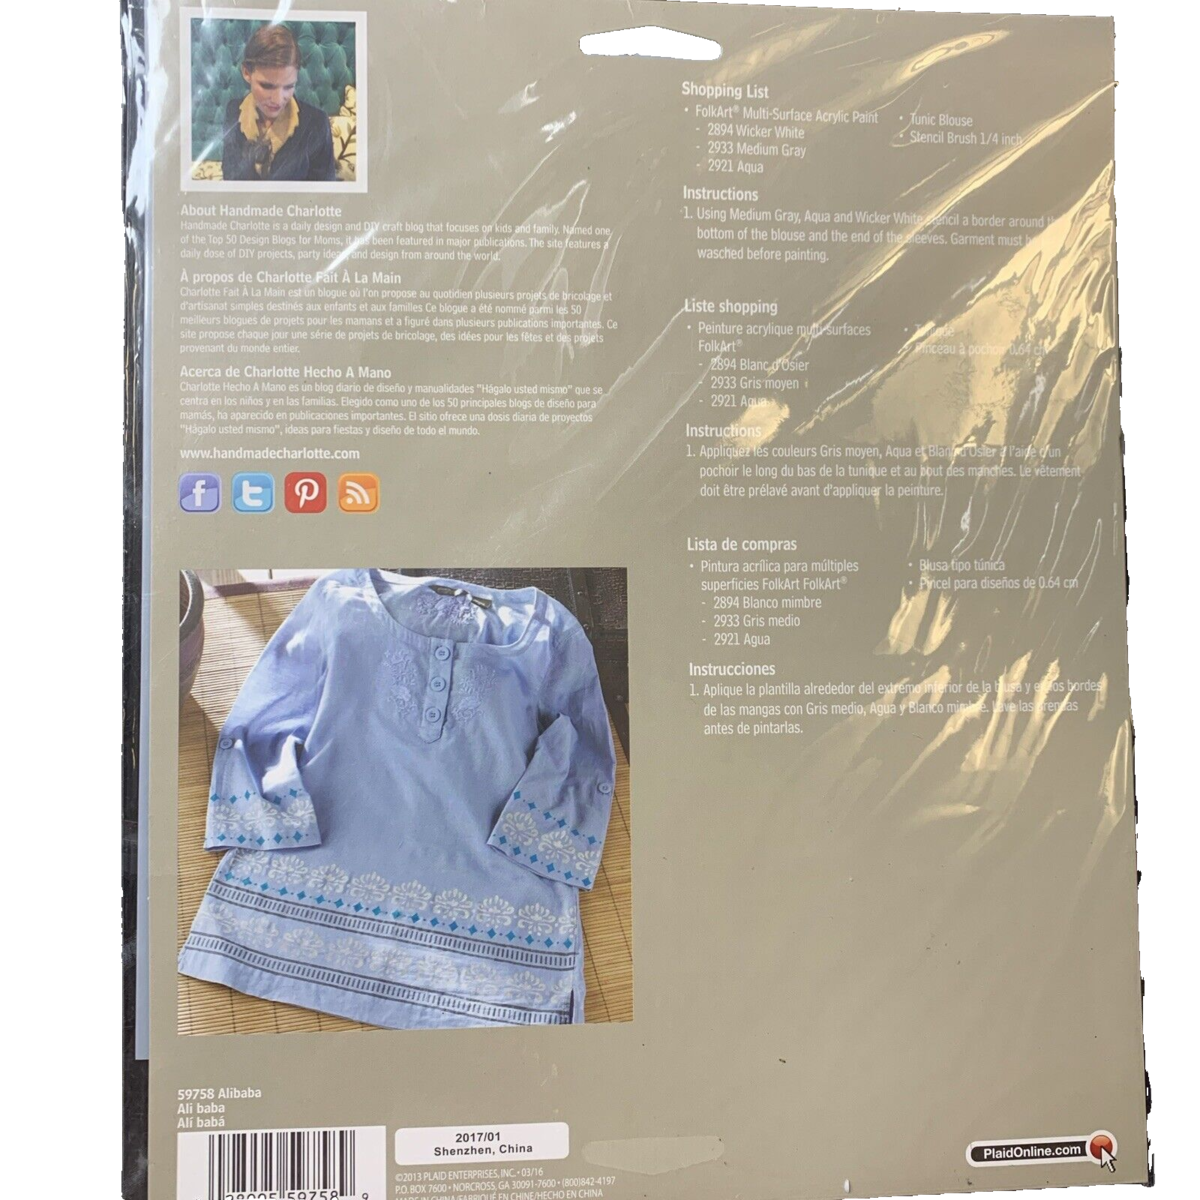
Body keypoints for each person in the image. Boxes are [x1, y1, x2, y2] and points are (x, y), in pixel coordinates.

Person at [221, 24, 337, 182]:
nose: (277, 99)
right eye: (267, 86)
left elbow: (325, 191)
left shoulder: (317, 123)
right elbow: (230, 177)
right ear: (247, 73)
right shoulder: (233, 111)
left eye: (289, 87)